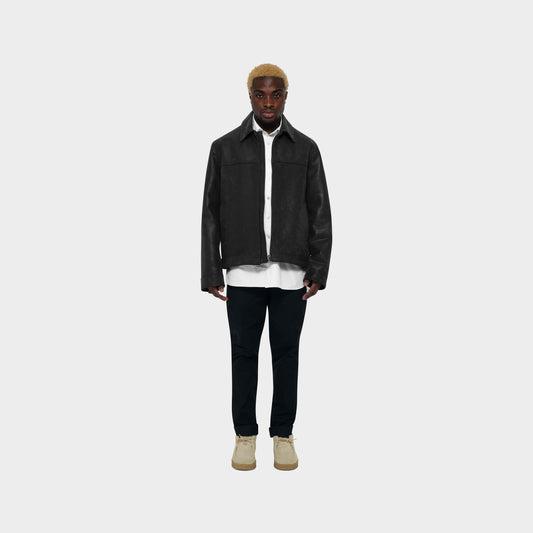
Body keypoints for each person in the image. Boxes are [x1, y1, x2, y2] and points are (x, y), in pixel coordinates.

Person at [200, 63, 332, 470]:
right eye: (261, 95)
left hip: (292, 274)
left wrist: (319, 268)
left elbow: (320, 212)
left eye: (276, 95)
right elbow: (210, 212)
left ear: (286, 97)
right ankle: (245, 436)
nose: (268, 102)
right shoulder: (224, 148)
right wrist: (211, 271)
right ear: (250, 97)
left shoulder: (306, 149)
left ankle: (283, 435)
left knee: (286, 356)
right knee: (243, 355)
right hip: (243, 272)